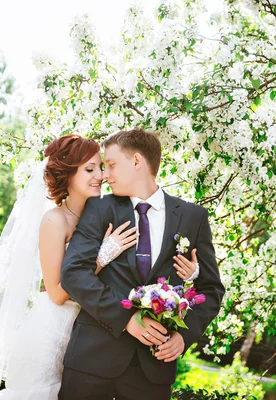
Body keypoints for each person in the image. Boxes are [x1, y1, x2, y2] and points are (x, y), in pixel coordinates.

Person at [0, 133, 200, 399]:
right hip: (53, 329)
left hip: (91, 329)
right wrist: (103, 256)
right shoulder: (54, 221)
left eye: (102, 168)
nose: (101, 176)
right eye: (90, 169)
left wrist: (190, 275)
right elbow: (57, 293)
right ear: (68, 174)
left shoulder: (107, 213)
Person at [59, 128, 225, 400]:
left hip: (153, 367)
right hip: (92, 360)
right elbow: (73, 273)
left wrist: (184, 337)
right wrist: (126, 318)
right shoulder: (99, 208)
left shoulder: (193, 217)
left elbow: (211, 287)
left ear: (137, 161)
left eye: (111, 165)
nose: (105, 175)